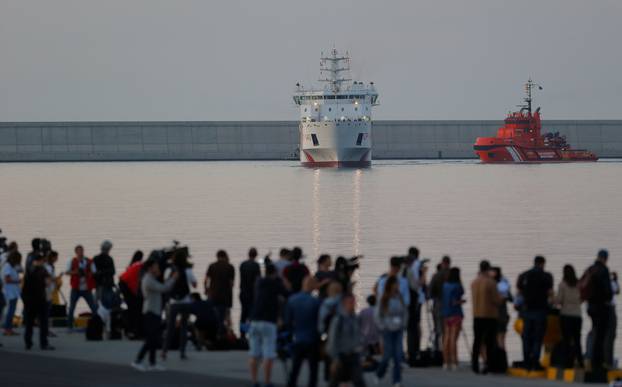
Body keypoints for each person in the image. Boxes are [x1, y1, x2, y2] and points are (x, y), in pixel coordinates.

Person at [131, 257, 178, 372]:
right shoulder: (148, 280)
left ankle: (152, 363)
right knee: (151, 339)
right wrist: (173, 278)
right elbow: (164, 288)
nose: (158, 268)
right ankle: (137, 361)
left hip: (155, 311)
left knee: (154, 339)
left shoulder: (151, 278)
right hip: (150, 312)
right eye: (156, 266)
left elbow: (162, 285)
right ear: (150, 268)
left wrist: (168, 276)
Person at [248, 261, 288, 387]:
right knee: (268, 354)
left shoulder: (259, 283)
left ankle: (254, 381)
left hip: (254, 320)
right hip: (268, 321)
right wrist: (282, 280)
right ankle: (267, 382)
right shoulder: (276, 283)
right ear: (275, 273)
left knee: (254, 353)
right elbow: (287, 294)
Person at [517, 255, 553, 371]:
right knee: (538, 337)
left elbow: (519, 292)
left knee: (526, 337)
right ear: (543, 263)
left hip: (527, 311)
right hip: (540, 311)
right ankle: (535, 362)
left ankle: (526, 361)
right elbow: (550, 293)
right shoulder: (547, 276)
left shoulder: (524, 275)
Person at [285, 276, 321, 387]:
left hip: (298, 338)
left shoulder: (292, 299)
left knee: (295, 369)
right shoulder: (316, 302)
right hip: (312, 339)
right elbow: (320, 322)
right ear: (313, 286)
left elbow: (288, 321)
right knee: (313, 371)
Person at [162, 247, 197, 360]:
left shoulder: (171, 270)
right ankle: (182, 352)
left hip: (173, 302)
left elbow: (167, 284)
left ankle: (165, 351)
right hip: (186, 301)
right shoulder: (188, 270)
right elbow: (194, 284)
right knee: (184, 327)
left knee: (170, 327)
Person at [374, 276, 408, 386]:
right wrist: (382, 326)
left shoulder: (400, 297)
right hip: (387, 329)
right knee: (387, 356)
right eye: (396, 284)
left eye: (398, 284)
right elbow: (377, 315)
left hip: (398, 329)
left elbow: (405, 312)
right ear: (390, 285)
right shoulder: (384, 298)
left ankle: (396, 380)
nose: (398, 286)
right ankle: (379, 373)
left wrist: (404, 323)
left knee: (398, 355)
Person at [326, 293, 365, 387]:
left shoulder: (355, 318)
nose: (353, 305)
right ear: (344, 304)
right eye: (350, 302)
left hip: (354, 356)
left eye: (354, 302)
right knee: (334, 382)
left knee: (359, 381)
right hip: (341, 356)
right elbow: (332, 340)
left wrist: (362, 353)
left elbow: (358, 336)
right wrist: (335, 359)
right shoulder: (338, 319)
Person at [584, 249, 613, 374]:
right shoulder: (603, 270)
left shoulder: (590, 269)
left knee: (594, 332)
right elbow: (608, 291)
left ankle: (589, 359)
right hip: (601, 307)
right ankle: (598, 362)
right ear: (605, 258)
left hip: (590, 307)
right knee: (600, 336)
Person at [471, 260, 501, 374]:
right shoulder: (491, 283)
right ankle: (488, 365)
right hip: (489, 315)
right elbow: (496, 300)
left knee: (477, 341)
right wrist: (502, 297)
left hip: (476, 315)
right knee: (489, 341)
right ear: (488, 269)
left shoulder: (474, 282)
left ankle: (474, 364)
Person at [22, 253, 53, 350]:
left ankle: (28, 343)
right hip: (40, 299)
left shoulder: (28, 270)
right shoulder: (43, 270)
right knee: (43, 322)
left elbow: (23, 286)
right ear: (40, 260)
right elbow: (48, 283)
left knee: (29, 323)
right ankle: (43, 343)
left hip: (29, 300)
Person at [555, 264, 583, 368]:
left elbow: (559, 300)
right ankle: (580, 361)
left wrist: (552, 299)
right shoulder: (579, 284)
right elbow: (582, 298)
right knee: (577, 340)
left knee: (566, 340)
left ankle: (568, 363)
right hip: (577, 315)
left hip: (566, 315)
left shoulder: (562, 284)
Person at [65, 245, 98, 329]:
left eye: (82, 251)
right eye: (79, 251)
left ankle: (97, 324)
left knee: (93, 307)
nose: (81, 253)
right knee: (72, 307)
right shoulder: (71, 261)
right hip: (75, 288)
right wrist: (76, 272)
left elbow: (94, 272)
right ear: (76, 252)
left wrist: (87, 273)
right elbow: (67, 272)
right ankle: (69, 326)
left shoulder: (89, 261)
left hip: (87, 288)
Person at [442, 267, 464, 371]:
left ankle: (446, 362)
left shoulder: (445, 285)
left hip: (446, 313)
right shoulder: (457, 286)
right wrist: (462, 302)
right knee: (453, 339)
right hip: (455, 313)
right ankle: (454, 361)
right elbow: (455, 301)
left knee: (446, 338)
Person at [205, 250, 235, 328]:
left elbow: (206, 280)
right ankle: (229, 334)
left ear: (217, 256)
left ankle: (214, 334)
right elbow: (231, 283)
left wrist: (206, 290)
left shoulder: (212, 266)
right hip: (226, 297)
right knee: (227, 316)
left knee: (213, 316)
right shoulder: (230, 267)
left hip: (213, 296)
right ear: (225, 256)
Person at [404, 247, 424, 363]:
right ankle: (414, 350)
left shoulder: (404, 269)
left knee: (410, 327)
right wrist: (424, 273)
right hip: (416, 300)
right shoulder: (416, 267)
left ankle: (409, 350)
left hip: (406, 302)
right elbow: (418, 285)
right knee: (415, 325)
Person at [119, 251, 144, 339]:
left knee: (132, 307)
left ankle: (130, 329)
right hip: (126, 285)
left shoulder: (133, 265)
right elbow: (136, 284)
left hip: (123, 283)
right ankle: (132, 329)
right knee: (134, 308)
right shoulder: (140, 266)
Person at [428, 256, 451, 352]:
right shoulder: (452, 275)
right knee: (448, 330)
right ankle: (448, 351)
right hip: (450, 305)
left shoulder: (436, 276)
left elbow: (429, 292)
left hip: (438, 304)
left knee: (438, 329)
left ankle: (437, 351)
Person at [239, 247, 261, 337]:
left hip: (243, 292)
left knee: (243, 314)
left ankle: (242, 333)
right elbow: (257, 280)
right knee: (252, 314)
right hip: (252, 293)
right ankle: (252, 333)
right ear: (255, 255)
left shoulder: (243, 264)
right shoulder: (256, 265)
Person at [492, 266, 512, 350]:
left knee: (498, 339)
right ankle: (502, 360)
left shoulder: (492, 284)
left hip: (495, 316)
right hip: (503, 315)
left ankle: (497, 359)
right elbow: (510, 298)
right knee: (501, 339)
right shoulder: (503, 283)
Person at [2, 251, 22, 336]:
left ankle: (9, 328)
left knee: (12, 310)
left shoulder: (13, 266)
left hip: (14, 291)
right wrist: (18, 281)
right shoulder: (7, 266)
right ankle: (7, 329)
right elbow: (7, 279)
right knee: (10, 311)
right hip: (9, 292)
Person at [604, 270, 619, 368]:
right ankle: (608, 361)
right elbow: (617, 291)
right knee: (611, 335)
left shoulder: (599, 283)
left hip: (599, 309)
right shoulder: (611, 283)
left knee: (603, 335)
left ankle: (604, 360)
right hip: (610, 309)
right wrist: (616, 279)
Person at [359, 295, 380, 361]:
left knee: (367, 354)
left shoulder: (363, 311)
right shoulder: (378, 311)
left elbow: (358, 323)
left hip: (366, 336)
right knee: (377, 354)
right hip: (377, 335)